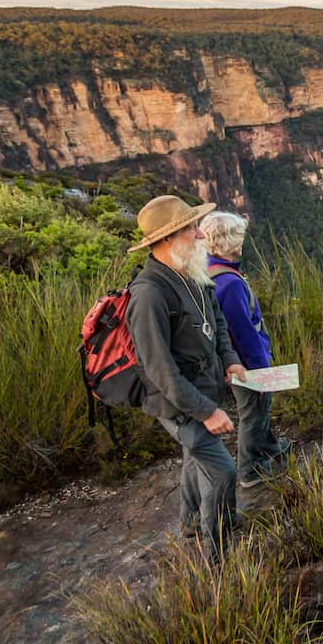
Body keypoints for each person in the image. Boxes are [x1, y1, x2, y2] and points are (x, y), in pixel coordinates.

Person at [126, 195, 246, 560]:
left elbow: (218, 322)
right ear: (166, 239)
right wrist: (207, 412)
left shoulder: (192, 271)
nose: (199, 235)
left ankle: (191, 522)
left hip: (202, 389)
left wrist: (230, 359)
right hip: (179, 405)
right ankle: (218, 558)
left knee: (195, 458)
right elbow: (160, 369)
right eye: (191, 229)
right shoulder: (148, 294)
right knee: (223, 473)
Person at [199, 211, 291, 488]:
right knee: (253, 410)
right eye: (239, 237)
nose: (243, 242)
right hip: (245, 363)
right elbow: (242, 331)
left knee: (259, 407)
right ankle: (251, 469)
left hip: (229, 361)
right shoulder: (229, 284)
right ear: (233, 244)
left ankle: (271, 446)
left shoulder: (206, 270)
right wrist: (261, 366)